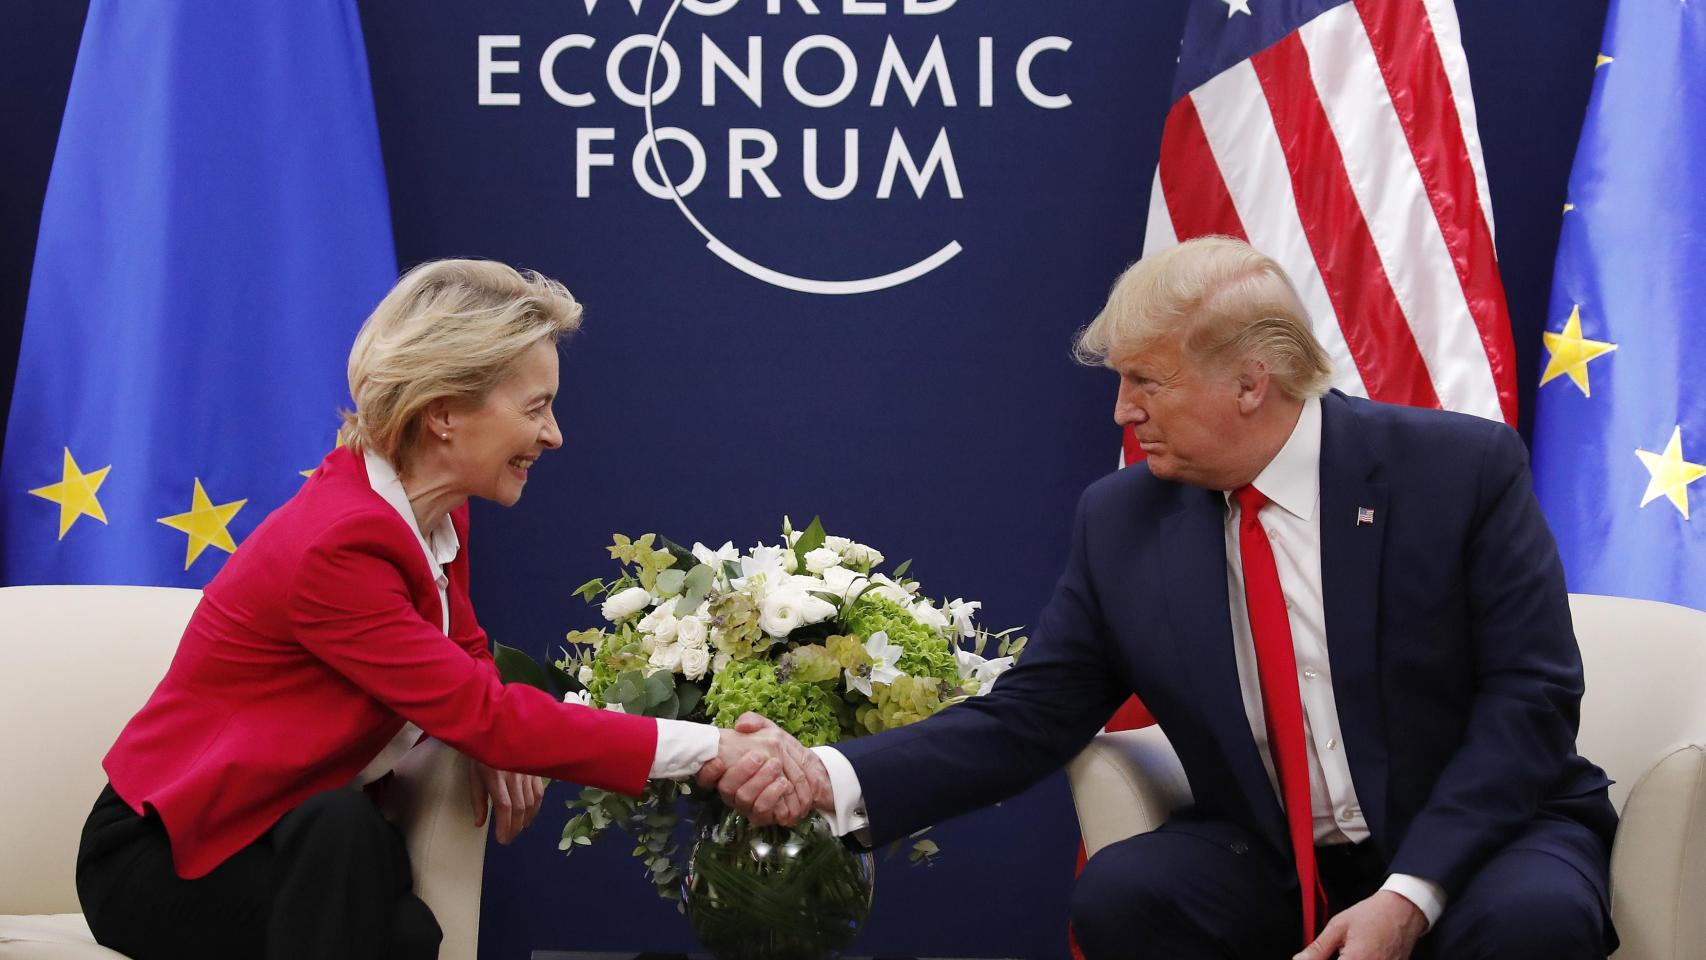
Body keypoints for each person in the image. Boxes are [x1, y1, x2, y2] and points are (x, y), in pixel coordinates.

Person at [706, 237, 1617, 960]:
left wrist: (1410, 895)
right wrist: (828, 774)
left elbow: (1531, 700)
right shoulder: (1123, 520)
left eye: (1146, 381)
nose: (1122, 411)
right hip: (1277, 854)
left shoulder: (1456, 472)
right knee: (1126, 897)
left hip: (1476, 838)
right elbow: (1030, 717)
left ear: (1251, 383)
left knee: (1531, 922)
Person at [76, 259, 811, 960]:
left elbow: (463, 652)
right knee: (358, 864)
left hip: (294, 834)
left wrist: (495, 737)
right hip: (174, 854)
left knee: (389, 903)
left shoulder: (436, 510)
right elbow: (482, 712)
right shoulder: (339, 543)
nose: (554, 434)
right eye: (536, 408)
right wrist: (711, 749)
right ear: (444, 415)